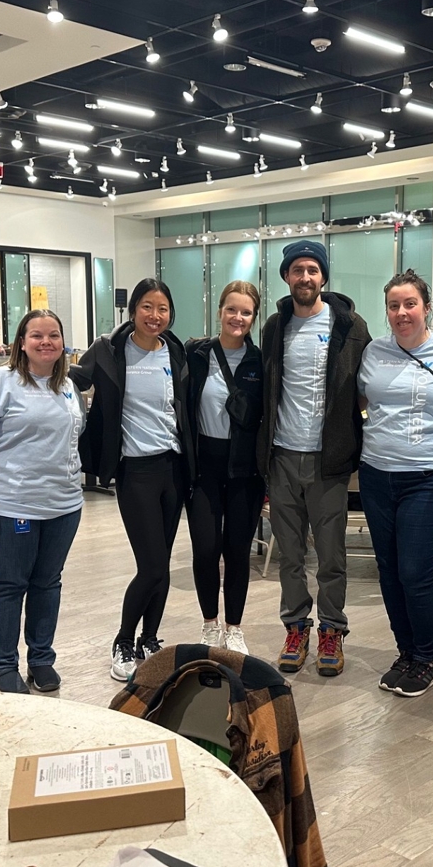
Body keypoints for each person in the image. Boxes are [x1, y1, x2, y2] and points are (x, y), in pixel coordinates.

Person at [356, 271, 433, 697]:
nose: (402, 313)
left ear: (426, 308)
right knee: (388, 571)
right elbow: (361, 400)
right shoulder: (373, 353)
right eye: (393, 306)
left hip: (430, 477)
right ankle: (405, 652)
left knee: (415, 572)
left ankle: (426, 658)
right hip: (375, 475)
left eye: (410, 304)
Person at [70, 279, 194, 682]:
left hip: (173, 468)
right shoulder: (108, 350)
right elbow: (72, 381)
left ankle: (150, 638)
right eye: (146, 307)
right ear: (133, 310)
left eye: (162, 308)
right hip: (135, 471)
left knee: (163, 565)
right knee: (153, 565)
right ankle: (124, 640)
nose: (154, 316)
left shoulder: (174, 351)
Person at [257, 240, 370, 677]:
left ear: (323, 277)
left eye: (312, 270)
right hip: (282, 456)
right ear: (286, 277)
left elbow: (368, 383)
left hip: (329, 461)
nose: (305, 277)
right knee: (289, 556)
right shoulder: (274, 326)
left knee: (331, 555)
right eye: (297, 270)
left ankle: (332, 630)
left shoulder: (350, 325)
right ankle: (295, 627)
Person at [0, 309, 85, 694]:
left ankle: (41, 660)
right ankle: (4, 666)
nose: (46, 342)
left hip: (63, 505)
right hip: (14, 505)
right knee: (11, 585)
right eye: (36, 335)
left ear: (63, 342)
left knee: (48, 583)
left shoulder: (67, 385)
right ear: (21, 342)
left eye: (53, 335)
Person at [184, 281, 265, 655]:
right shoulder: (196, 354)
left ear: (254, 317)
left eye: (246, 312)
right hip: (204, 469)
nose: (238, 318)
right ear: (219, 311)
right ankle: (209, 624)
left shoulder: (259, 363)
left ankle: (234, 627)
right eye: (232, 309)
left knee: (237, 552)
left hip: (244, 472)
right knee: (205, 549)